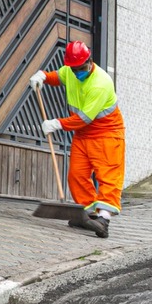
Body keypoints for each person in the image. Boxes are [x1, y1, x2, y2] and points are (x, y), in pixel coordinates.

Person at [29, 41, 125, 238]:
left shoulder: (101, 83)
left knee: (108, 175)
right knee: (76, 175)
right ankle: (88, 216)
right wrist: (44, 76)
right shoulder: (71, 71)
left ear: (89, 62)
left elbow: (84, 118)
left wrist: (57, 124)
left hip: (106, 133)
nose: (76, 72)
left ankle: (103, 220)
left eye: (80, 68)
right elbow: (59, 76)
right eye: (74, 69)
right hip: (83, 135)